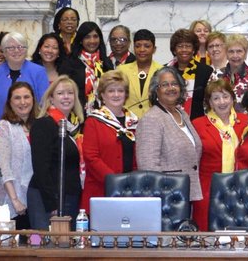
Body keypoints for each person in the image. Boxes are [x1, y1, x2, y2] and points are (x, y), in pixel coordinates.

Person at [136, 67, 205, 213]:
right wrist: (164, 195)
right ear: (156, 90)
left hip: (187, 192)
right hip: (166, 197)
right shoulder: (151, 119)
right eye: (165, 85)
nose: (171, 88)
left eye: (174, 84)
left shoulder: (182, 114)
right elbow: (148, 166)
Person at [191, 79, 248, 231]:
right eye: (216, 98)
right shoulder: (197, 124)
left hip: (241, 188)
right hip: (207, 189)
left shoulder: (247, 122)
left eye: (225, 96)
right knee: (206, 234)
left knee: (238, 233)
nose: (222, 102)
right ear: (209, 102)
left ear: (233, 98)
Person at [30, 76, 84, 229]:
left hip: (70, 195)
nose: (66, 97)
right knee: (40, 241)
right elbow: (40, 167)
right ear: (51, 99)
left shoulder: (75, 127)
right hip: (48, 199)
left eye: (70, 93)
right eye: (60, 93)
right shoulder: (43, 124)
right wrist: (51, 203)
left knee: (66, 242)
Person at [80, 71, 138, 214]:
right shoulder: (93, 121)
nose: (116, 95)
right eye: (111, 91)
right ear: (102, 95)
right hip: (101, 190)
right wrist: (114, 180)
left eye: (120, 90)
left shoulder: (134, 121)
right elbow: (91, 157)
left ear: (126, 94)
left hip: (130, 192)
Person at [0, 82, 38, 230]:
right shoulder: (4, 127)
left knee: (36, 241)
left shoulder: (39, 125)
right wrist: (15, 199)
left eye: (26, 97)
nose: (23, 102)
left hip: (36, 200)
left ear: (33, 100)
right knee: (14, 243)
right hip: (12, 203)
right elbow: (3, 168)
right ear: (10, 103)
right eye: (17, 98)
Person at [0, 32, 51, 122]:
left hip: (31, 126)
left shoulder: (39, 72)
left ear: (26, 50)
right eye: (11, 48)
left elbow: (44, 104)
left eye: (21, 47)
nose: (16, 51)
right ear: (4, 52)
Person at [59, 22, 114, 105]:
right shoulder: (69, 62)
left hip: (104, 110)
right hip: (77, 110)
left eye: (95, 36)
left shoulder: (106, 62)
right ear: (81, 40)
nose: (92, 41)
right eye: (87, 37)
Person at [165, 28, 214, 119]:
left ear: (194, 49)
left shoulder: (206, 71)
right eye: (180, 46)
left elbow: (210, 102)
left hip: (197, 123)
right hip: (168, 122)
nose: (184, 49)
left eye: (188, 46)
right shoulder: (164, 71)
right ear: (174, 50)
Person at [116, 29, 163, 118]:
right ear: (133, 48)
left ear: (154, 49)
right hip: (127, 121)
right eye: (138, 46)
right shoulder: (121, 71)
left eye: (147, 46)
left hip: (154, 121)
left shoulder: (162, 72)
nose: (142, 49)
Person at [219, 34, 248, 110]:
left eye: (239, 51)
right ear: (226, 54)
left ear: (245, 53)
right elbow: (208, 104)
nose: (235, 55)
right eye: (231, 51)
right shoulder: (216, 76)